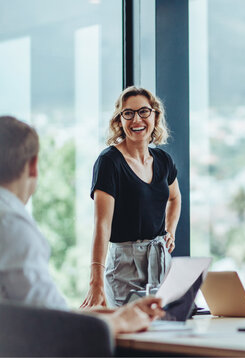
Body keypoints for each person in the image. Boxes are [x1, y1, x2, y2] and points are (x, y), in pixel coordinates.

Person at [0, 116, 164, 335]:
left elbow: (42, 311)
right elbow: (54, 326)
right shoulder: (9, 224)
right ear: (34, 166)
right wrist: (123, 321)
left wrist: (114, 313)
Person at [81, 86, 181, 308]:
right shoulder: (109, 162)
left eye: (144, 111)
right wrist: (95, 281)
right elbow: (102, 226)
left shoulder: (163, 160)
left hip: (161, 261)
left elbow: (175, 198)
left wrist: (170, 231)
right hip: (125, 265)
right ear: (119, 120)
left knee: (164, 331)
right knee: (130, 336)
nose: (137, 119)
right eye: (128, 113)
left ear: (155, 116)